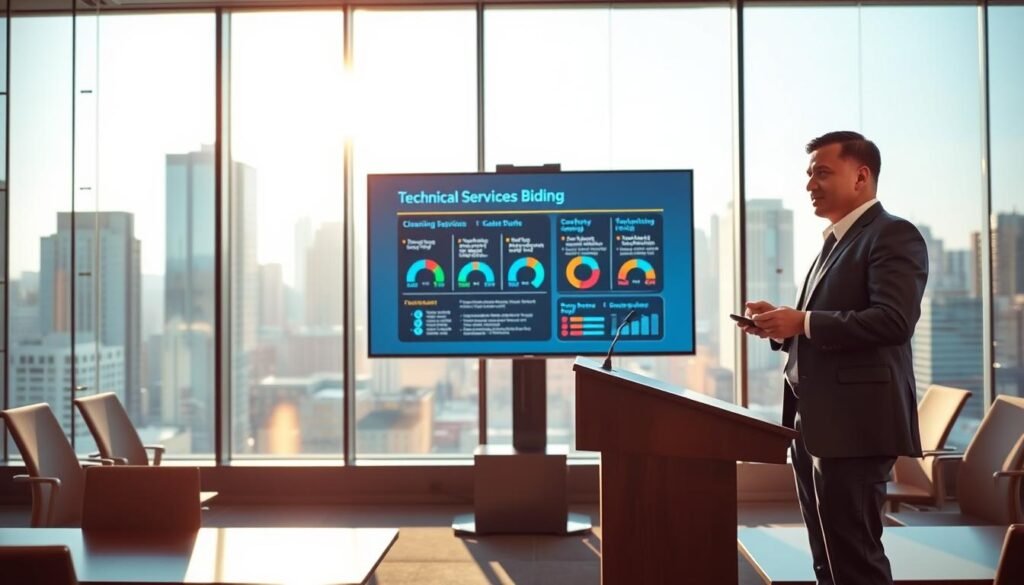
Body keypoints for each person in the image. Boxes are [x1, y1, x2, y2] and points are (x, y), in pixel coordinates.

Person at [738, 131, 928, 585]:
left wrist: (801, 321)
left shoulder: (893, 234)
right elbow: (827, 324)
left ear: (861, 176)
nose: (810, 185)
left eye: (822, 173)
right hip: (817, 424)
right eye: (808, 174)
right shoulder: (835, 242)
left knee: (855, 558)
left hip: (856, 428)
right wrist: (781, 327)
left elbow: (892, 321)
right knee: (827, 557)